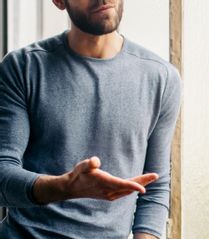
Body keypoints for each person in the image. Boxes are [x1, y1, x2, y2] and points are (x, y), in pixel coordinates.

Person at [0, 0, 181, 238]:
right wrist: (64, 187)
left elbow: (155, 186)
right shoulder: (22, 68)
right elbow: (3, 172)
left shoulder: (161, 78)